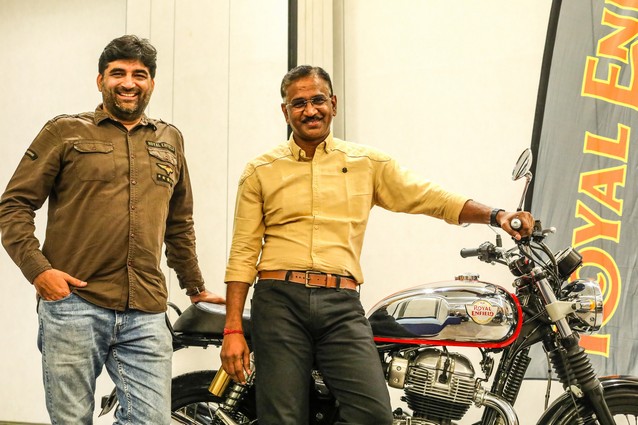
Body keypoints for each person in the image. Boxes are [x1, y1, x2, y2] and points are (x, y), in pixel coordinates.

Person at [220, 65, 534, 425]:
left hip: (340, 303)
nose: (310, 110)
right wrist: (233, 329)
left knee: (374, 416)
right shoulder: (260, 170)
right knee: (282, 418)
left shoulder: (366, 163)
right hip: (279, 302)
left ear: (333, 103)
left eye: (318, 100)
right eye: (299, 103)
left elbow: (430, 197)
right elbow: (242, 253)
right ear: (285, 111)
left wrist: (496, 215)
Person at [0, 35, 224, 424]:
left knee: (151, 419)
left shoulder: (170, 139)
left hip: (146, 309)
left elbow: (179, 222)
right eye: (118, 73)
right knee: (71, 420)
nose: (128, 82)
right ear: (100, 80)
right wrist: (39, 272)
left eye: (139, 74)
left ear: (151, 83)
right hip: (74, 304)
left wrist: (195, 287)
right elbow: (14, 206)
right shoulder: (64, 132)